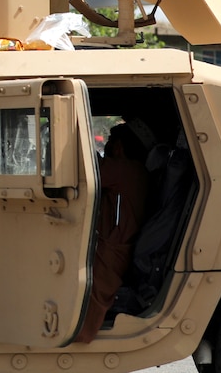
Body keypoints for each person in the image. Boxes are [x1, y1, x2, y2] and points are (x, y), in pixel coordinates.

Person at [75, 120, 152, 343]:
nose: (108, 148)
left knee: (93, 299)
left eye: (110, 143)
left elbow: (88, 174)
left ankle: (76, 341)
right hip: (113, 242)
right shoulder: (136, 171)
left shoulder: (124, 169)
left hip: (112, 247)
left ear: (119, 147)